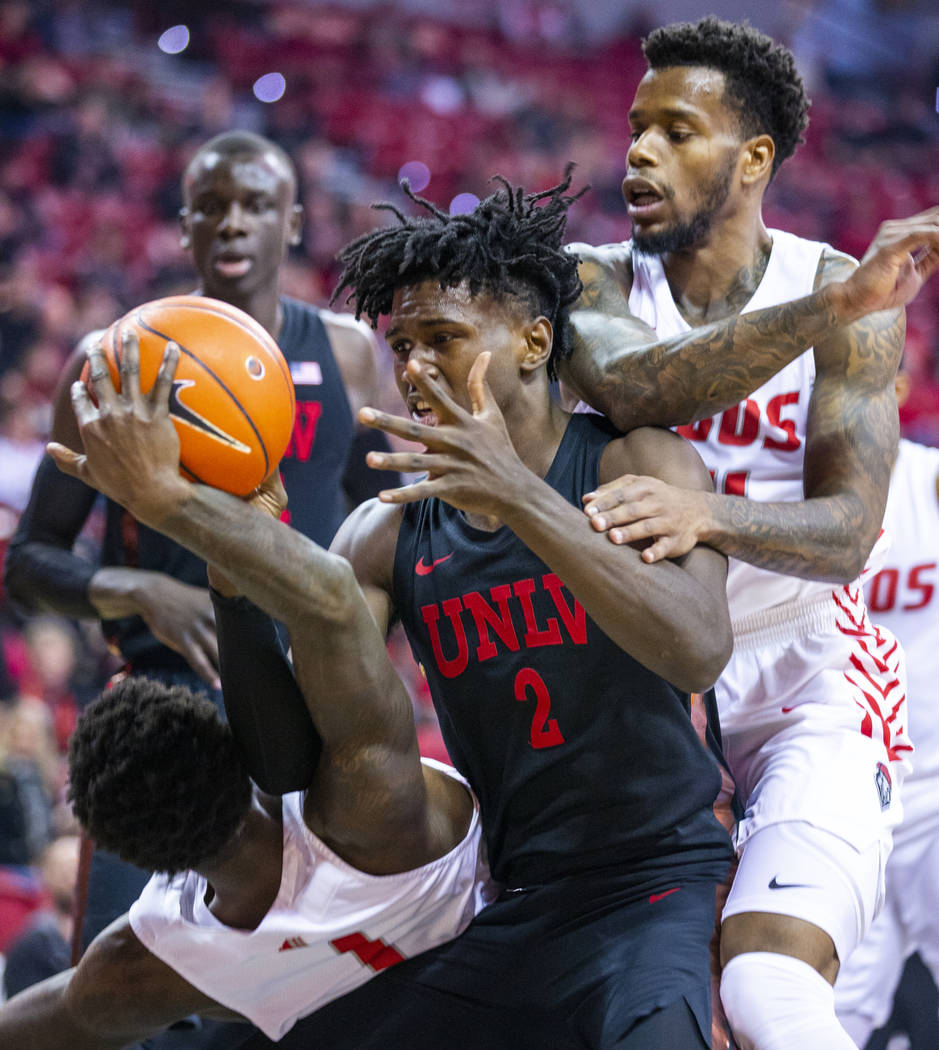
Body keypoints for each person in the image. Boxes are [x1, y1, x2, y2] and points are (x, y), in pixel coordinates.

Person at [47, 175, 737, 1049]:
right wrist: (232, 561)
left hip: (659, 882)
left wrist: (520, 497)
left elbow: (696, 651)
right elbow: (291, 759)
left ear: (532, 342)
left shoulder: (630, 463)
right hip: (516, 895)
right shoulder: (385, 531)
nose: (412, 367)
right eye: (401, 343)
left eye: (442, 338)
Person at [557, 18, 939, 1050]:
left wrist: (708, 515)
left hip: (806, 674)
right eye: (636, 127)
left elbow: (850, 533)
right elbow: (634, 383)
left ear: (753, 157)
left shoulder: (839, 294)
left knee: (769, 986)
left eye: (676, 131)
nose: (638, 149)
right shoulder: (589, 281)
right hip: (635, 683)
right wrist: (834, 310)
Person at [2, 129, 393, 958]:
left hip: (309, 701)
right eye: (211, 208)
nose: (233, 224)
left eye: (255, 205)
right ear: (182, 228)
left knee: (299, 979)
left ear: (292, 223)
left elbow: (387, 515)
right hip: (166, 702)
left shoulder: (348, 354)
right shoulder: (110, 360)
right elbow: (30, 562)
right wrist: (138, 590)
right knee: (120, 972)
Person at [0, 462, 490, 1047]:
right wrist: (210, 531)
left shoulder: (146, 962)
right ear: (225, 741)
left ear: (133, 852)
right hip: (525, 952)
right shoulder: (363, 808)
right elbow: (331, 598)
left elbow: (48, 1022)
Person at [834, 375, 939, 1048]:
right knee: (820, 1013)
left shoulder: (928, 481)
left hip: (934, 789)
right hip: (838, 796)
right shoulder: (769, 497)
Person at [2, 833, 80, 999]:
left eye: (79, 868)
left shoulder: (103, 926)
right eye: (65, 870)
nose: (72, 879)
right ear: (46, 876)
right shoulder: (33, 942)